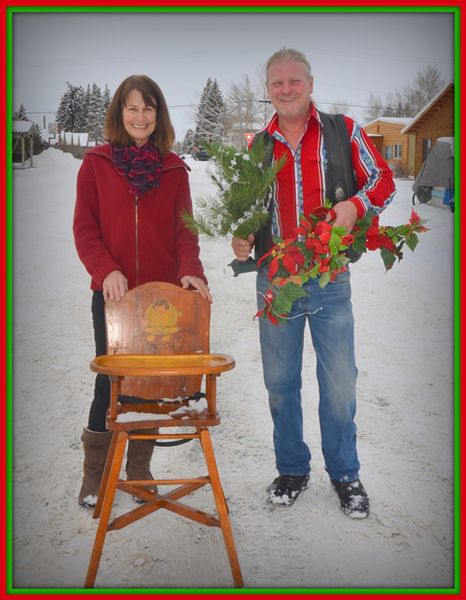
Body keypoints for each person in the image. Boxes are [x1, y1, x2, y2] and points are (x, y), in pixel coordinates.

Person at [232, 48, 395, 518]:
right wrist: (242, 236)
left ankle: (345, 474)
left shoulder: (343, 133)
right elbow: (250, 210)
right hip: (274, 277)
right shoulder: (257, 146)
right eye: (277, 83)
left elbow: (382, 180)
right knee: (280, 383)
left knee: (340, 383)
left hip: (330, 277)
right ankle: (292, 468)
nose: (285, 89)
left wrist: (357, 207)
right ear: (268, 90)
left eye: (294, 81)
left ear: (310, 83)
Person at [73, 74, 211, 508]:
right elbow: (84, 228)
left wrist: (190, 270)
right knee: (111, 384)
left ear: (158, 115)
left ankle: (138, 470)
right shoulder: (95, 164)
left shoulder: (173, 169)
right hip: (114, 297)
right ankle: (94, 477)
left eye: (147, 108)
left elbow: (185, 231)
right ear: (119, 113)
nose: (139, 115)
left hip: (161, 299)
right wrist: (105, 269)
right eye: (131, 107)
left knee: (149, 384)